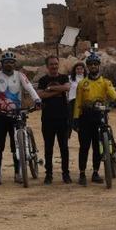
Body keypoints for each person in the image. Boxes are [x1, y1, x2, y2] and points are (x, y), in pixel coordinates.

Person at [0, 51, 41, 185]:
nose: (9, 64)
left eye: (12, 62)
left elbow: (29, 88)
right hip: (1, 113)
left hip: (16, 114)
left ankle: (18, 173)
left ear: (14, 63)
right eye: (6, 62)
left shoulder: (20, 75)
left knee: (16, 145)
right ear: (2, 64)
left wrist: (37, 99)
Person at [72, 52, 116, 186]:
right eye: (90, 64)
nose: (93, 66)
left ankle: (96, 172)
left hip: (100, 116)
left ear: (99, 66)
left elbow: (111, 91)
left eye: (95, 64)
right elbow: (78, 102)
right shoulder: (82, 84)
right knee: (84, 147)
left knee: (98, 147)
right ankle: (82, 173)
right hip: (85, 117)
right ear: (88, 66)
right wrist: (75, 118)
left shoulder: (105, 82)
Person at [36, 55, 72, 185]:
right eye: (51, 64)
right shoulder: (43, 80)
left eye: (56, 64)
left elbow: (67, 87)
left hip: (62, 118)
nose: (54, 66)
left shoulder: (63, 77)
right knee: (48, 148)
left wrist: (50, 89)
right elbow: (40, 95)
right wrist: (58, 91)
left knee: (64, 148)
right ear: (47, 66)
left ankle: (66, 174)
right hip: (48, 118)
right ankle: (48, 175)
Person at [67, 62, 86, 127]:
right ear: (75, 70)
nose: (79, 70)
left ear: (84, 70)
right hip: (73, 101)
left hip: (84, 101)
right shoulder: (70, 78)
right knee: (70, 121)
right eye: (77, 69)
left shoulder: (87, 79)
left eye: (81, 69)